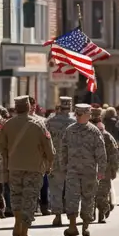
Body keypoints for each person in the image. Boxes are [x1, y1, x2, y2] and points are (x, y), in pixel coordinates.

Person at [0, 95, 55, 236]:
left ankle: (17, 221)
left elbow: (0, 146)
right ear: (29, 107)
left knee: (16, 196)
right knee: (29, 199)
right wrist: (49, 164)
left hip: (14, 167)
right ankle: (24, 234)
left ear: (16, 108)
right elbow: (50, 150)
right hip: (34, 168)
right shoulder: (38, 125)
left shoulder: (7, 124)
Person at [61, 103, 107, 236]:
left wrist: (101, 170)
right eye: (78, 114)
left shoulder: (94, 131)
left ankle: (85, 225)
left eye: (82, 114)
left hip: (89, 171)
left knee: (88, 198)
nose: (79, 117)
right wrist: (63, 166)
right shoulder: (69, 130)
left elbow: (101, 152)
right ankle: (72, 225)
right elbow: (63, 150)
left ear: (88, 115)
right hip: (73, 171)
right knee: (71, 197)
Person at [46, 96, 74, 226]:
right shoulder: (75, 122)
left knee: (55, 189)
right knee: (71, 189)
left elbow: (46, 140)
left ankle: (57, 215)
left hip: (55, 161)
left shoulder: (51, 122)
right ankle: (71, 216)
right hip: (71, 162)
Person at [90, 116, 119, 223]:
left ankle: (101, 213)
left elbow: (114, 154)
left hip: (103, 170)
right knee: (90, 193)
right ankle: (91, 214)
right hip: (90, 169)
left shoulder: (107, 136)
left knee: (102, 193)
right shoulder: (87, 135)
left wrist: (114, 169)